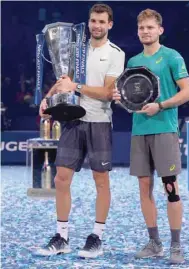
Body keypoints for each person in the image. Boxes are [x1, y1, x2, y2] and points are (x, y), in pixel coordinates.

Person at [37, 3, 125, 258]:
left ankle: (96, 237)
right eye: (93, 21)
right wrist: (48, 99)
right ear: (88, 23)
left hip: (99, 121)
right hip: (72, 121)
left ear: (110, 25)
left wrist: (76, 87)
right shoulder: (76, 51)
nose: (96, 25)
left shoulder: (115, 53)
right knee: (61, 179)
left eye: (101, 21)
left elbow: (109, 92)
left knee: (101, 181)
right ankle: (62, 236)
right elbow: (62, 80)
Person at [113, 9, 189, 264]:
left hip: (165, 129)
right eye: (141, 28)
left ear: (160, 30)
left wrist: (161, 105)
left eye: (150, 27)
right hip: (139, 131)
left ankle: (176, 246)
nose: (145, 31)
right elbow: (133, 100)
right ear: (137, 32)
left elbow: (188, 92)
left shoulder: (171, 57)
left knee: (170, 189)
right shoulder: (133, 63)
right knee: (144, 189)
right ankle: (154, 242)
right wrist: (120, 99)